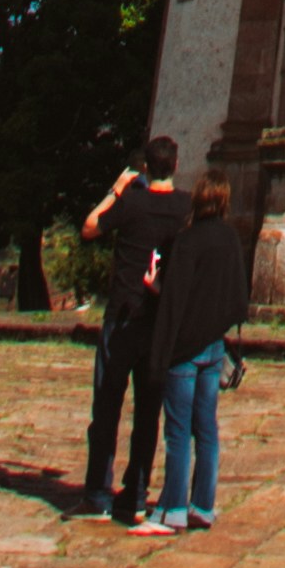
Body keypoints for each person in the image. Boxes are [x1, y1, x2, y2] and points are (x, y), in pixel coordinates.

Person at [131, 176, 250, 535]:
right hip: (214, 347)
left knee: (179, 431)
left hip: (184, 351)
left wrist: (155, 287)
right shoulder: (231, 239)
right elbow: (237, 298)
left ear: (197, 200)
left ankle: (172, 510)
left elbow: (175, 300)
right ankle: (203, 506)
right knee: (206, 428)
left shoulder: (187, 241)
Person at [79, 134, 184, 521]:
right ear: (175, 165)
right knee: (148, 411)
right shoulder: (185, 207)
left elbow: (90, 227)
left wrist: (115, 190)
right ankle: (136, 493)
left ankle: (98, 493)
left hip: (123, 315)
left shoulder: (132, 203)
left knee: (107, 406)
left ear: (145, 168)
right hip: (157, 320)